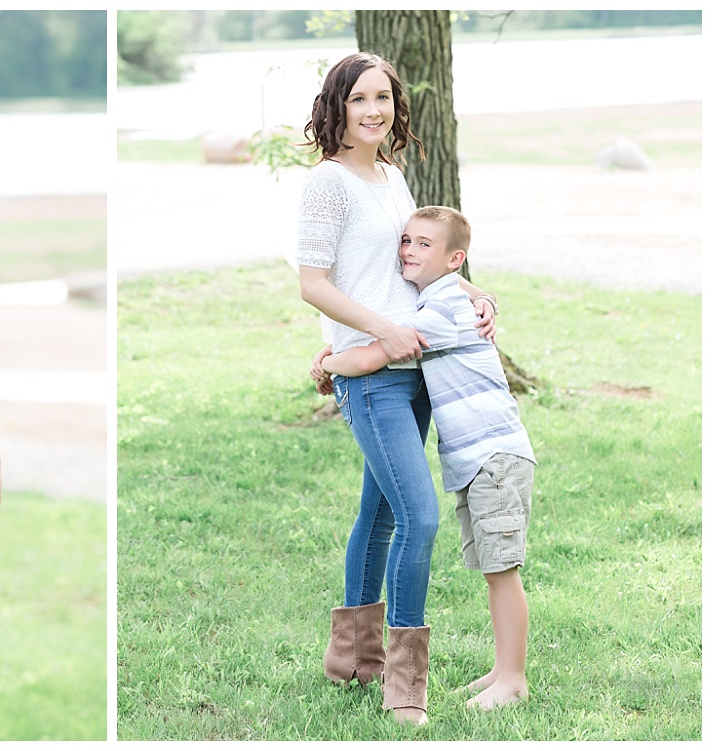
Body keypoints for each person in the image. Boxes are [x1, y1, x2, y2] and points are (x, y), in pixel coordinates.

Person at [295, 52, 497, 725]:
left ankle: (352, 660)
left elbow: (415, 265)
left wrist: (472, 292)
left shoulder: (390, 175)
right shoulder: (328, 184)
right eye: (359, 100)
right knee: (422, 515)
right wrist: (381, 331)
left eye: (383, 98)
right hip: (374, 374)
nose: (374, 111)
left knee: (380, 516)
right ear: (337, 107)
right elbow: (314, 282)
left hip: (418, 374)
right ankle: (405, 683)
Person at [311, 206, 534, 711]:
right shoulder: (440, 299)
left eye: (423, 245)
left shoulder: (441, 311)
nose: (408, 251)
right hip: (481, 457)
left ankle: (513, 678)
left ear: (454, 259)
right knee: (491, 565)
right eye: (406, 241)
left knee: (502, 570)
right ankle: (501, 669)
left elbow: (372, 356)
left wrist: (328, 362)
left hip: (493, 454)